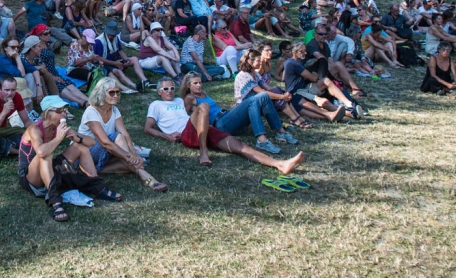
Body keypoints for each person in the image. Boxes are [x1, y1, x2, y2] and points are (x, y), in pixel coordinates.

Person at [143, 79, 305, 174]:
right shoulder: (156, 105)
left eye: (172, 88)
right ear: (159, 91)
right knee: (204, 106)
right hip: (186, 133)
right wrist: (168, 136)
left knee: (239, 146)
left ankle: (280, 164)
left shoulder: (180, 100)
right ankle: (203, 152)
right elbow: (148, 128)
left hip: (202, 127)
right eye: (165, 89)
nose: (169, 91)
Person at [19, 95, 114, 223]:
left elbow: (91, 142)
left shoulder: (57, 128)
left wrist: (77, 138)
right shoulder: (34, 129)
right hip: (30, 177)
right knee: (45, 154)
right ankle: (55, 202)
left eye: (64, 110)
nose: (64, 114)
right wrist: (58, 138)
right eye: (60, 111)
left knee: (81, 147)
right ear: (48, 113)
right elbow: (41, 152)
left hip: (48, 168)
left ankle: (97, 187)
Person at [78, 77, 166, 191]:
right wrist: (129, 157)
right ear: (101, 93)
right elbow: (105, 142)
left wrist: (133, 152)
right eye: (112, 92)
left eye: (117, 92)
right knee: (118, 138)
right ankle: (147, 177)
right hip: (87, 152)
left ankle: (98, 169)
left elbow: (125, 133)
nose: (116, 95)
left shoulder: (113, 109)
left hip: (105, 150)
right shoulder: (91, 112)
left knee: (131, 157)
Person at [180, 72, 296, 154]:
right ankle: (262, 140)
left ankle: (280, 131)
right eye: (195, 83)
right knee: (255, 99)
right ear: (188, 85)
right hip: (220, 124)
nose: (199, 85)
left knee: (264, 96)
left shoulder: (203, 93)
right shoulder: (190, 98)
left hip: (227, 116)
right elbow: (185, 116)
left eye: (200, 82)